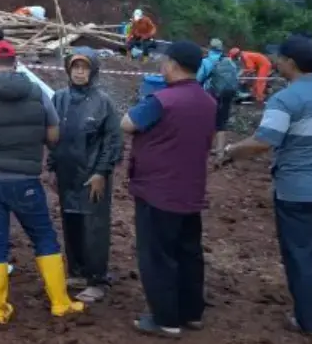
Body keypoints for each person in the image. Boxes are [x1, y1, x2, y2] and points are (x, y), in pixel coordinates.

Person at [218, 35, 312, 336]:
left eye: (280, 59)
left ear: (291, 63)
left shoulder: (284, 99)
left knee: (301, 255)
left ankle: (308, 321)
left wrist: (231, 151)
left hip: (297, 190)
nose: (276, 63)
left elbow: (263, 141)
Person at [0, 39, 82, 323]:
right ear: (15, 62)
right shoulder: (36, 92)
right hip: (26, 181)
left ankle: (0, 310)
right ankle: (60, 302)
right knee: (44, 237)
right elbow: (53, 135)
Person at [121, 41, 216, 337]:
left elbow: (127, 124)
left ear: (173, 64)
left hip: (157, 190)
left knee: (158, 256)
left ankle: (165, 319)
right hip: (191, 189)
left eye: (164, 61)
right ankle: (192, 312)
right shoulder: (208, 101)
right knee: (189, 252)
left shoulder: (161, 101)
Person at [48, 47, 123, 303]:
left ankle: (96, 279)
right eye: (75, 67)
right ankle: (77, 271)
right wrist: (52, 167)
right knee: (71, 222)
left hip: (92, 176)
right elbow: (54, 137)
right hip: (67, 174)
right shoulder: (59, 98)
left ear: (94, 71)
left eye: (85, 68)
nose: (79, 72)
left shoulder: (103, 102)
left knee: (94, 226)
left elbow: (113, 141)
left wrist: (101, 172)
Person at [198, 38, 240, 154]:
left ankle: (205, 147)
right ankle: (220, 150)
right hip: (228, 93)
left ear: (209, 47)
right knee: (222, 121)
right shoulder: (229, 61)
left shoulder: (207, 61)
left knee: (208, 119)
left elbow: (199, 78)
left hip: (212, 94)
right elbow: (235, 78)